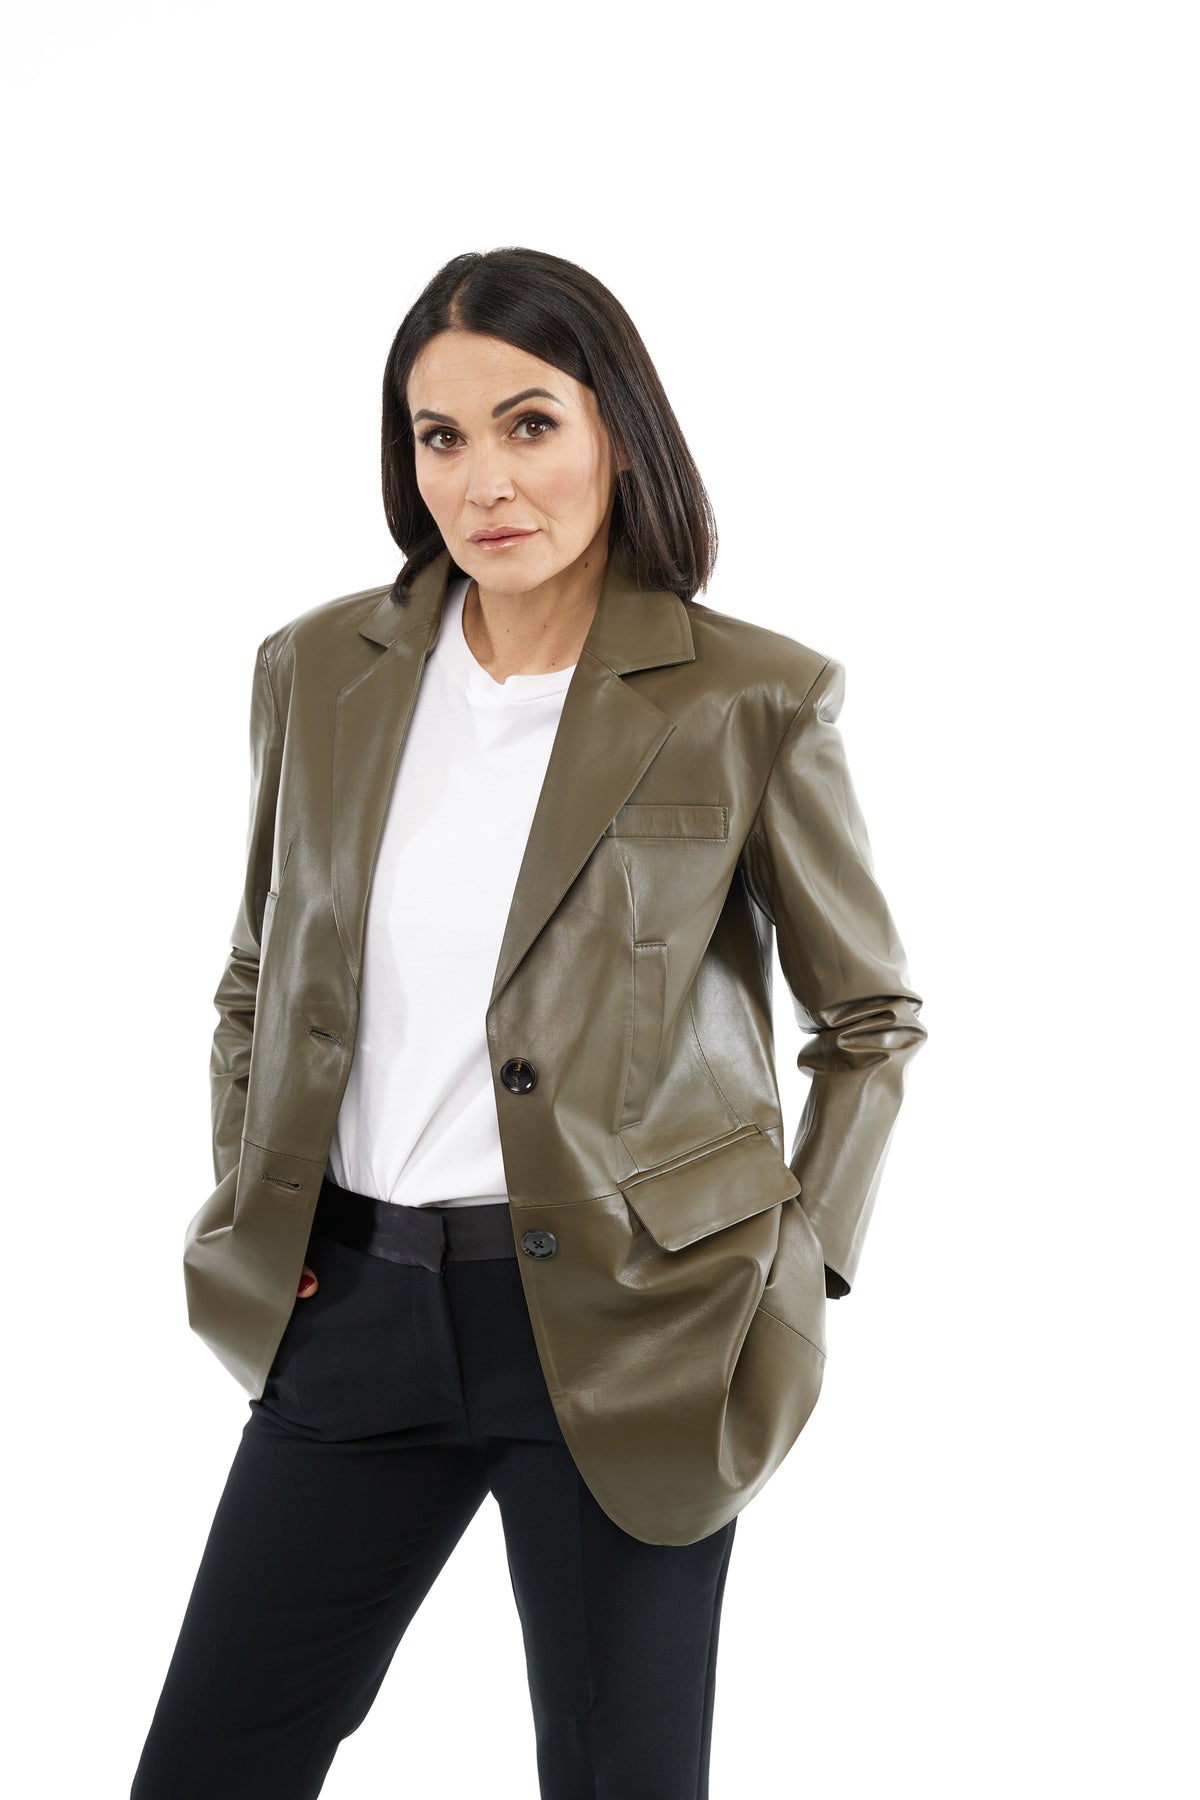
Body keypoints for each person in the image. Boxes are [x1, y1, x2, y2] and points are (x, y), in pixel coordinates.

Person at [130, 246, 927, 1799]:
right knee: (211, 1764)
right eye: (441, 437)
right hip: (348, 1316)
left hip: (635, 1328)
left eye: (530, 424)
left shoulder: (746, 698)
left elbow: (870, 1018)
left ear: (618, 433)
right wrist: (257, 1193)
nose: (484, 480)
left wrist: (795, 1264)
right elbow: (255, 976)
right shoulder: (318, 671)